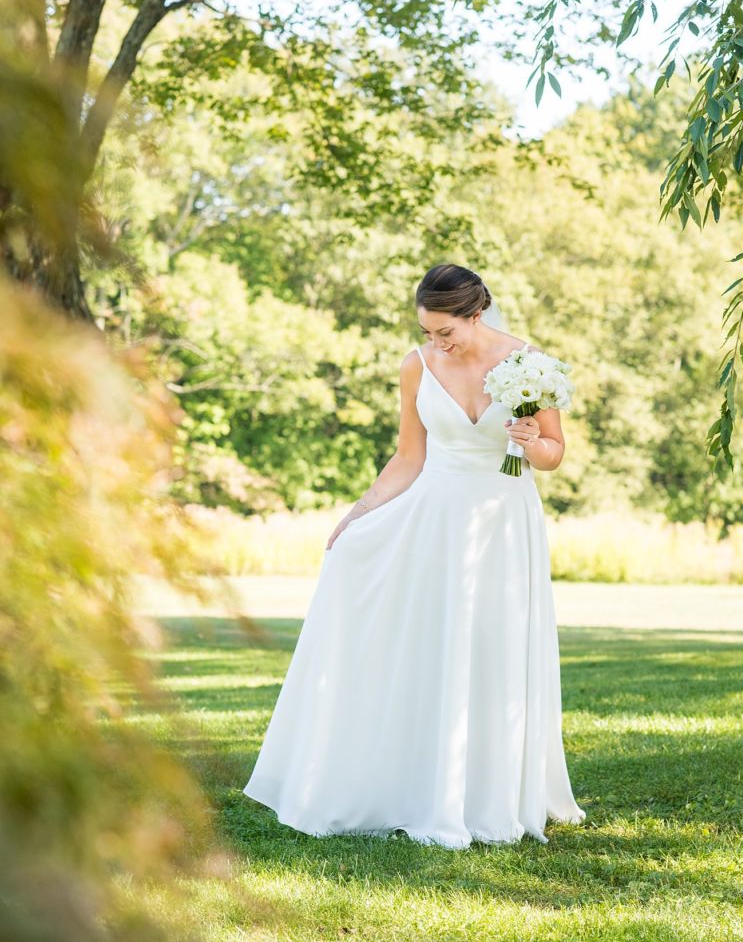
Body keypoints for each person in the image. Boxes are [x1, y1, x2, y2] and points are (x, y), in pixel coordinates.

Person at [243, 263, 586, 848]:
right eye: (428, 332)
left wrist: (533, 444)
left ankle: (491, 791)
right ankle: (420, 782)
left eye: (445, 332)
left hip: (503, 524)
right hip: (434, 521)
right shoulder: (417, 366)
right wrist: (358, 513)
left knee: (494, 648)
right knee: (435, 647)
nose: (436, 343)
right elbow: (408, 458)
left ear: (475, 315)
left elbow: (555, 452)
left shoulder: (532, 366)